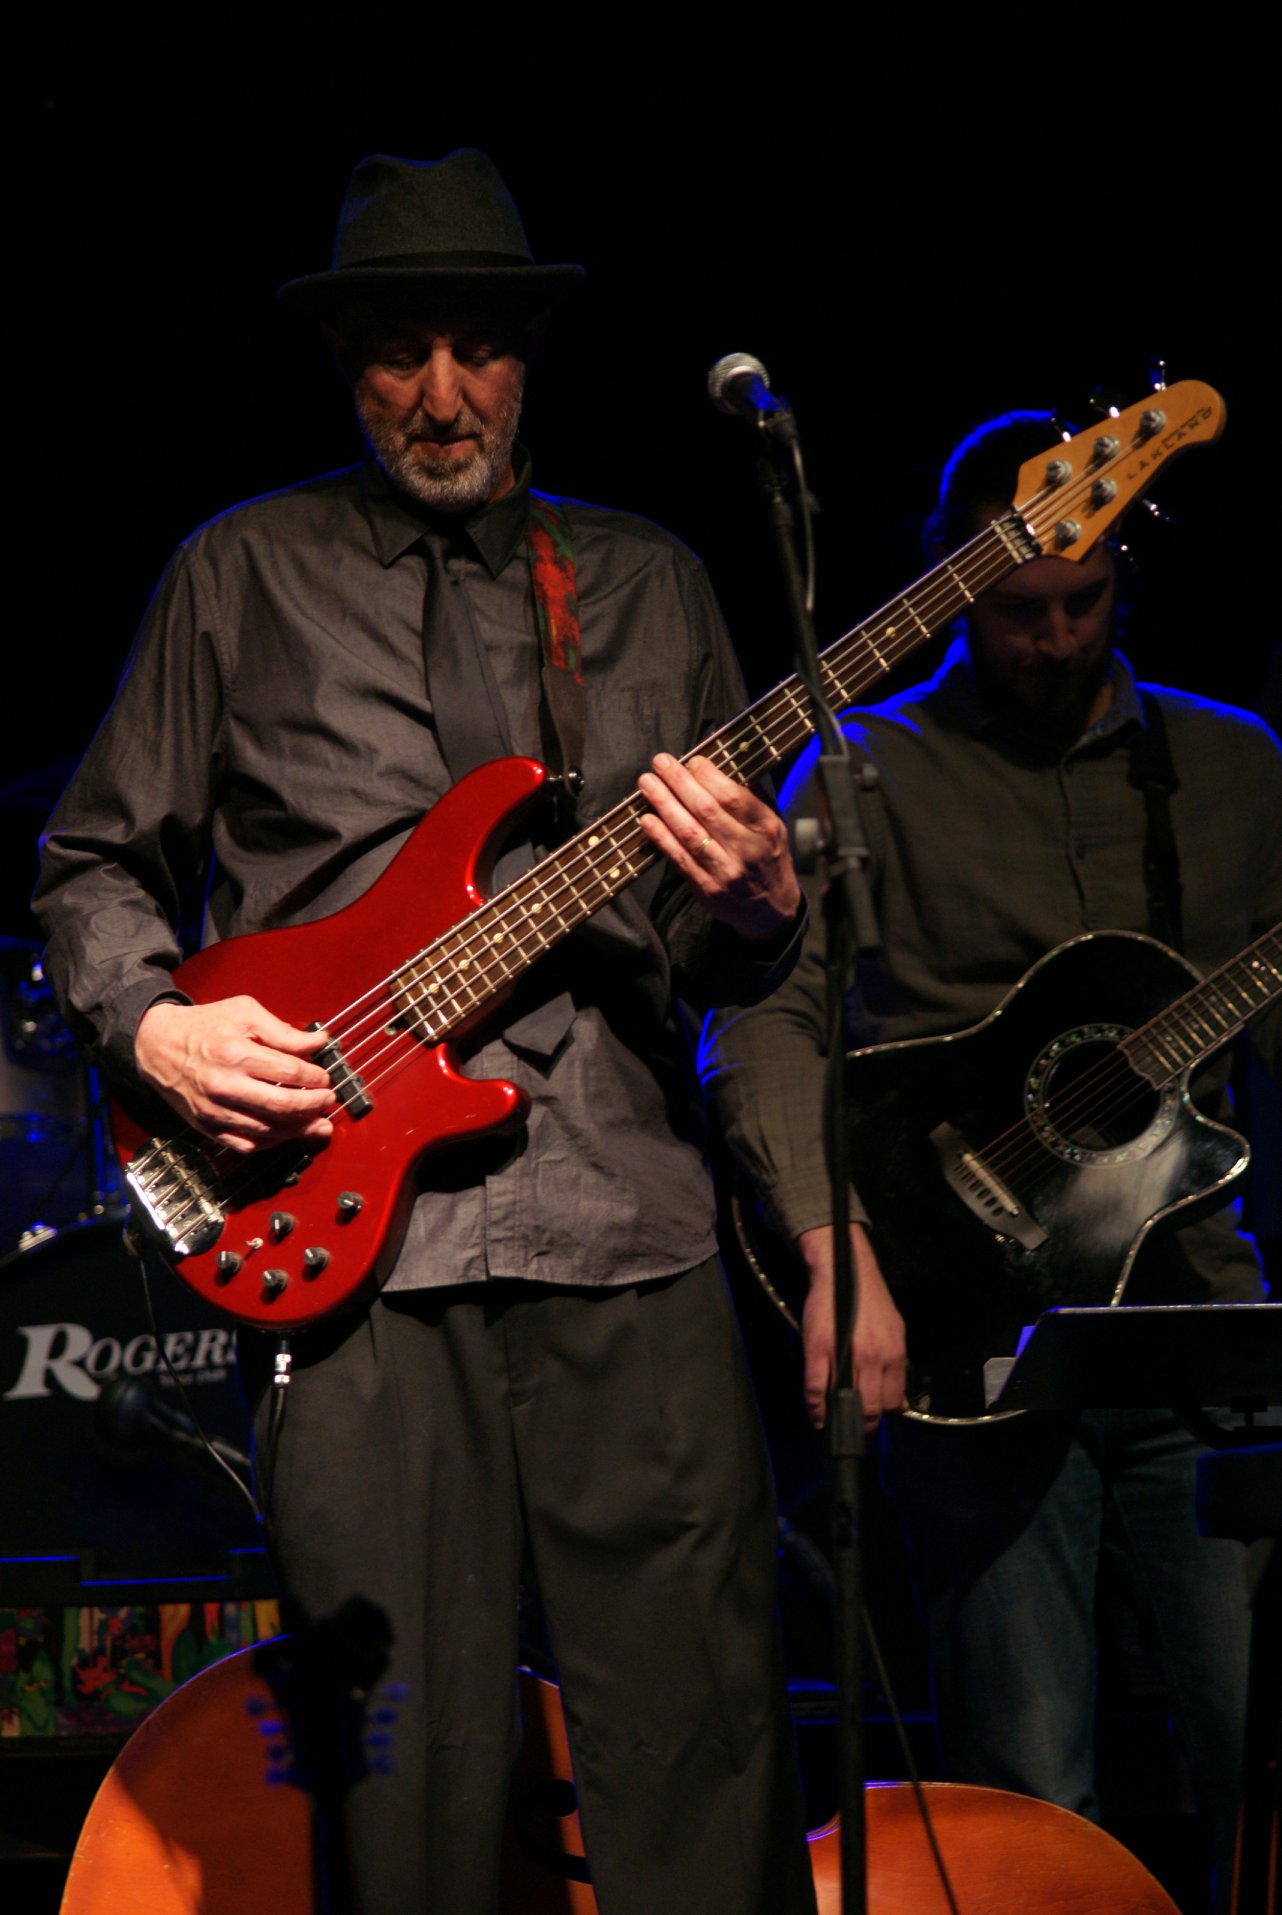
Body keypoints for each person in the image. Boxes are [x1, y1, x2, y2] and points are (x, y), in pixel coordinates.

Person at [34, 150, 818, 1915]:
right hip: (354, 1255)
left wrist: (761, 903)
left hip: (628, 1234)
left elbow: (721, 953)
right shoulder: (240, 575)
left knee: (699, 1748)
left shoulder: (647, 582)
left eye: (477, 347)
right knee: (409, 1784)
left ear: (530, 358)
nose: (442, 393)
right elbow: (91, 859)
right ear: (348, 364)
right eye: (401, 350)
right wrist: (156, 1032)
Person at [705, 409, 1282, 1914]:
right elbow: (756, 1027)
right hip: (972, 1336)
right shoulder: (859, 773)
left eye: (1079, 609)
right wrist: (840, 1249)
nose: (1045, 640)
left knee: (1257, 1750)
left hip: (1193, 1321)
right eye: (1014, 611)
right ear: (958, 588)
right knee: (1028, 1784)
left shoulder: (1229, 769)